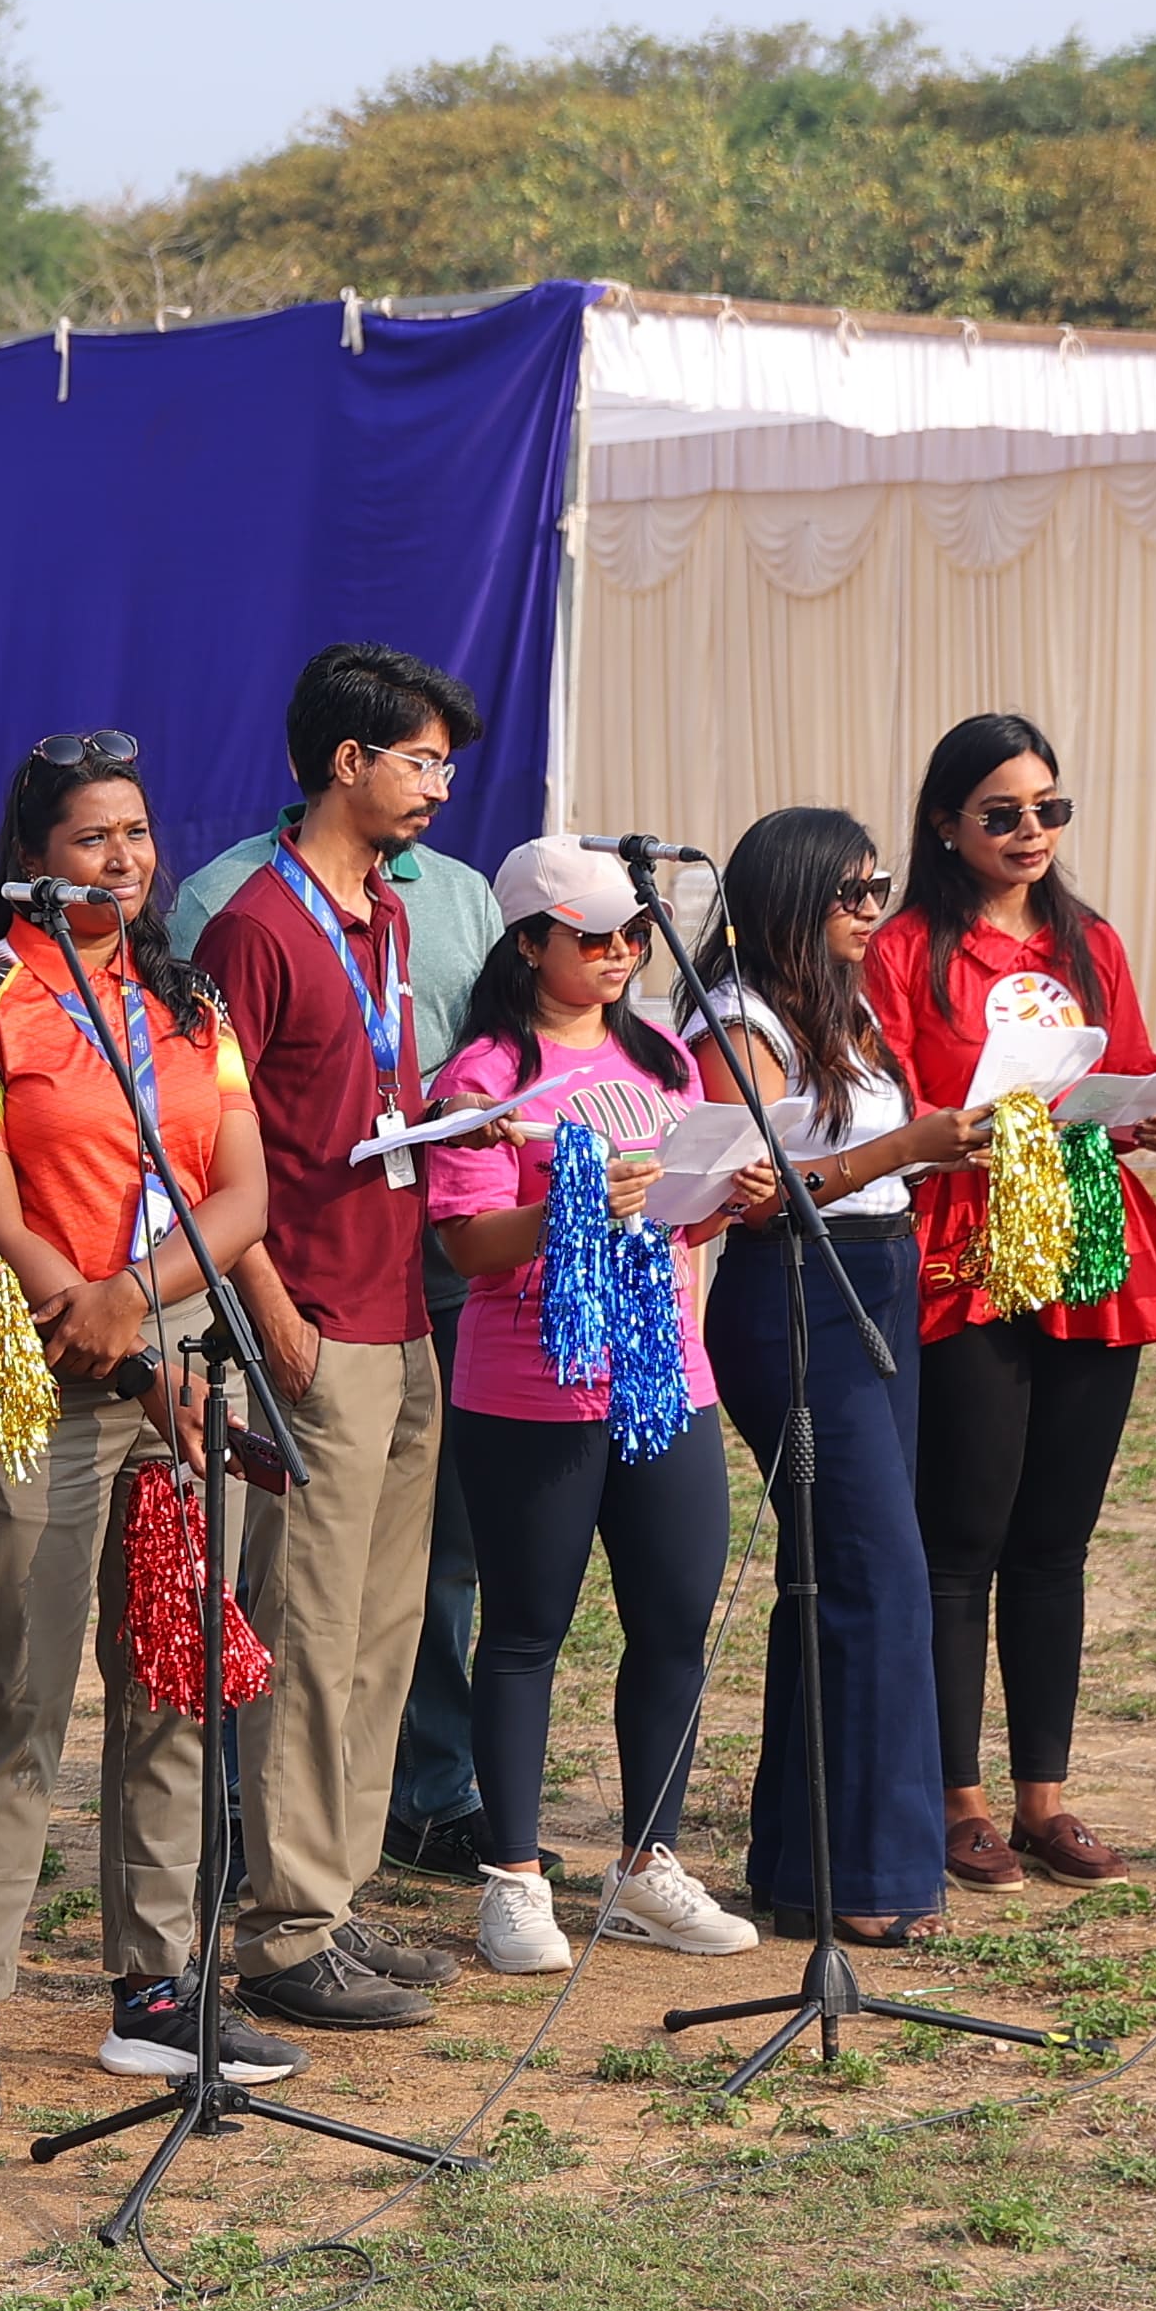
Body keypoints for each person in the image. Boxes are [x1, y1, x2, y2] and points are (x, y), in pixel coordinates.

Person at [0, 737, 288, 2111]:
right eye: (89, 838)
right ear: (33, 859)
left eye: (135, 833)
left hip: (170, 1351)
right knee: (17, 1688)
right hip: (33, 1364)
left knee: (174, 1675)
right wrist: (93, 1315)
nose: (122, 859)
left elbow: (242, 1196)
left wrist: (137, 1300)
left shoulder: (190, 1001)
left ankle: (155, 1989)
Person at [195, 645, 492, 2035]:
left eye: (446, 764)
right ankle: (284, 1929)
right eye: (419, 760)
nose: (439, 786)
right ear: (345, 761)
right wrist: (273, 1313)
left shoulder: (388, 917)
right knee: (309, 1634)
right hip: (315, 1319)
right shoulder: (255, 927)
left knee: (382, 1631)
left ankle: (335, 1889)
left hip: (403, 1305)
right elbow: (204, 1147)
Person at [871, 714, 1156, 1897]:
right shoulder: (904, 948)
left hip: (1085, 1241)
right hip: (967, 1243)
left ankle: (1044, 1802)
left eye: (1049, 810)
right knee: (963, 1535)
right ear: (944, 823)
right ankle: (956, 1803)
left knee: (1057, 1539)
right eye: (1004, 813)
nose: (1032, 832)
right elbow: (889, 1100)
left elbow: (1130, 1062)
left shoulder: (1088, 939)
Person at [416, 842, 759, 1969]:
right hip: (533, 1386)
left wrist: (726, 1195)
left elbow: (682, 1212)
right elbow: (468, 1244)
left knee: (674, 1621)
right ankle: (514, 1878)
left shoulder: (663, 1054)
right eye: (593, 936)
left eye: (634, 936)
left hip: (665, 1375)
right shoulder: (482, 1076)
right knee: (525, 1630)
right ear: (528, 943)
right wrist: (574, 1200)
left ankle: (647, 1863)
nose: (619, 954)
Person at [691, 813, 977, 1942]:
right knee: (875, 1575)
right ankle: (868, 1875)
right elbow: (755, 1192)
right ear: (790, 899)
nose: (871, 910)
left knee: (835, 1574)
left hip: (879, 1275)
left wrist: (940, 1151)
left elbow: (856, 1160)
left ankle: (804, 1863)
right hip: (796, 1292)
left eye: (879, 888)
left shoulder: (840, 1005)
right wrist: (908, 1148)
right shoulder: (737, 1021)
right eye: (850, 893)